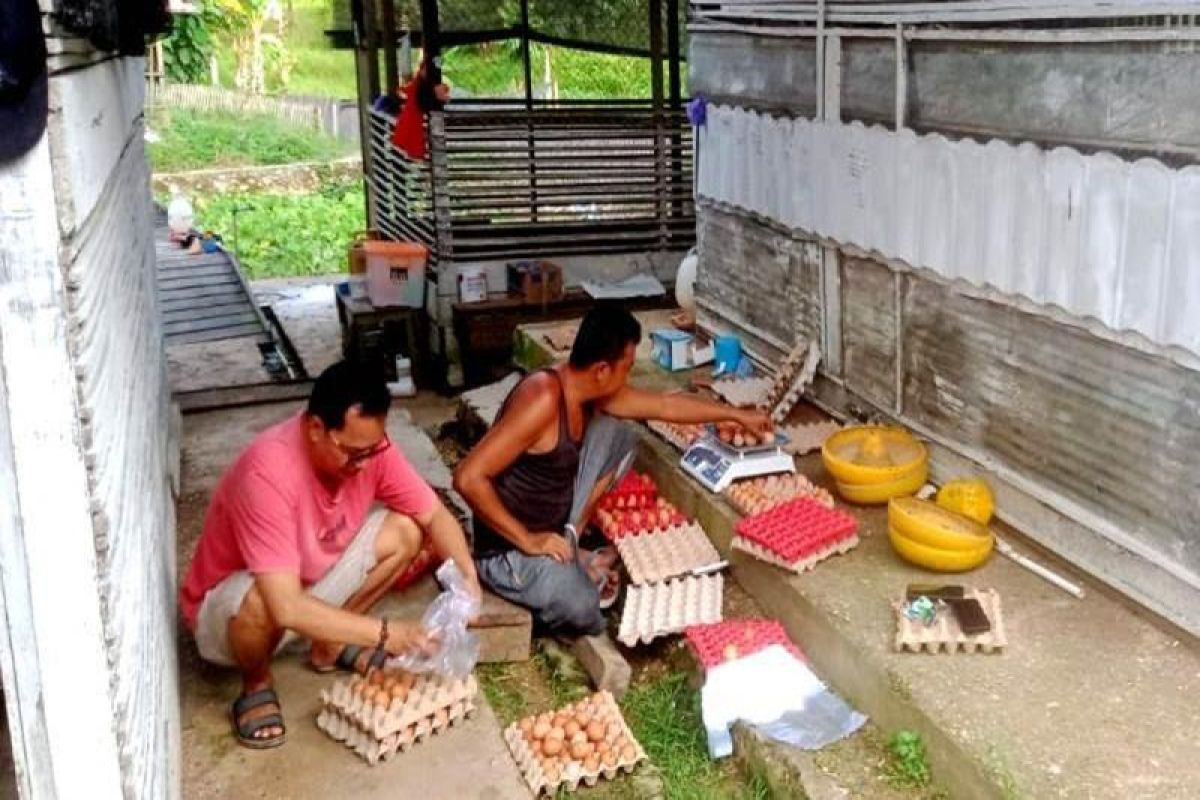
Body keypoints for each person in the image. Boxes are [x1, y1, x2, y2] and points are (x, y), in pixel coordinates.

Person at [179, 361, 479, 750]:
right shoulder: (267, 472)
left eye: (375, 449)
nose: (366, 464)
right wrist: (387, 635)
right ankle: (256, 682)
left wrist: (467, 581)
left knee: (406, 531)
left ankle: (328, 644)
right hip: (232, 617)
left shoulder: (370, 450)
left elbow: (435, 515)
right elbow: (285, 606)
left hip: (304, 586)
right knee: (261, 601)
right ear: (316, 429)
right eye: (354, 454)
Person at [454, 304, 770, 636]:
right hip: (509, 550)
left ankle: (570, 546)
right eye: (627, 368)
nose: (628, 378)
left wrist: (735, 415)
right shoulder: (543, 399)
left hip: (552, 525)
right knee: (582, 606)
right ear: (602, 369)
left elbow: (664, 406)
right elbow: (467, 477)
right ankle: (561, 569)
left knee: (620, 435)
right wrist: (529, 541)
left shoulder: (589, 391)